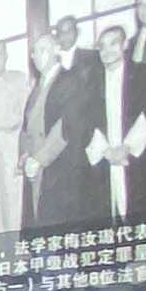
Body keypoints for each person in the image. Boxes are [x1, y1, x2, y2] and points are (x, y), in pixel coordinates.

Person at [78, 19, 146, 225]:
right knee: (110, 217)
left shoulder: (144, 73)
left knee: (142, 217)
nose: (106, 51)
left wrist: (126, 148)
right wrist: (106, 151)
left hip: (137, 158)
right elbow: (87, 121)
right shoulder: (91, 81)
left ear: (125, 44)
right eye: (102, 46)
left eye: (113, 44)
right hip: (106, 158)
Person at [28, 16, 101, 231]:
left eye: (43, 50)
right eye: (34, 52)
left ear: (55, 51)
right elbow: (27, 127)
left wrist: (40, 159)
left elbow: (66, 125)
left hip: (62, 167)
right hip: (39, 170)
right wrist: (24, 154)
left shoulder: (70, 79)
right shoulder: (36, 88)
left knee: (63, 229)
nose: (37, 56)